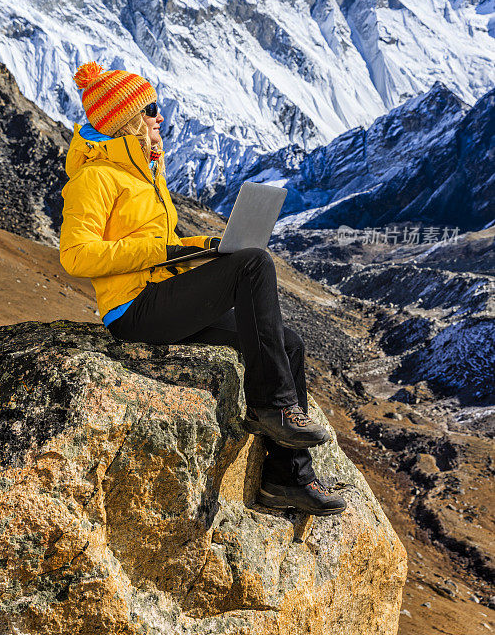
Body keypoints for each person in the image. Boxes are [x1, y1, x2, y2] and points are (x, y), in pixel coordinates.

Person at [59, 61, 347, 517]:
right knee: (253, 264)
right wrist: (156, 252)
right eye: (151, 109)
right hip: (134, 310)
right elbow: (76, 255)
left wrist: (206, 246)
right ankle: (274, 408)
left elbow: (163, 246)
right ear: (126, 121)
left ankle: (288, 478)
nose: (159, 118)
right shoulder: (95, 178)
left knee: (288, 344)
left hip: (166, 299)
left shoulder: (146, 173)